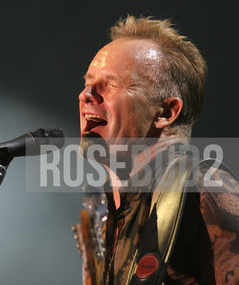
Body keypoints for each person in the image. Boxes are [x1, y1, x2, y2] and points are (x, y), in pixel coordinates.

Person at [76, 15, 239, 284]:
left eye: (112, 84)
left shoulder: (205, 190)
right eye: (87, 82)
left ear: (165, 112)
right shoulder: (110, 215)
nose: (86, 94)